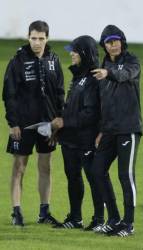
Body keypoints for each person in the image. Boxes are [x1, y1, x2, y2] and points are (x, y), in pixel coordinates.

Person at [2, 20, 64, 227]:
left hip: (47, 126)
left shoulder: (54, 60)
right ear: (28, 37)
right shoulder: (18, 61)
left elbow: (59, 93)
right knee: (19, 167)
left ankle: (44, 213)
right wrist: (13, 123)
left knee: (45, 166)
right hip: (24, 125)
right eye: (33, 38)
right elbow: (9, 95)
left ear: (48, 38)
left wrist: (58, 120)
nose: (37, 43)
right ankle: (16, 212)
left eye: (41, 38)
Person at [91, 24, 143, 237]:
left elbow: (123, 75)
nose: (113, 45)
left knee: (125, 175)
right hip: (109, 130)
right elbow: (103, 102)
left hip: (129, 129)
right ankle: (113, 218)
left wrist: (108, 72)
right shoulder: (103, 66)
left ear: (122, 41)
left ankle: (128, 224)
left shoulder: (132, 61)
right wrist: (101, 130)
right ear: (104, 45)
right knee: (97, 171)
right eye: (108, 42)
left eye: (116, 40)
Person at [51, 35, 104, 230]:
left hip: (86, 139)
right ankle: (75, 218)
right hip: (70, 139)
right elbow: (71, 107)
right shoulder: (79, 76)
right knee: (72, 177)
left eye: (74, 50)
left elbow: (90, 114)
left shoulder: (92, 78)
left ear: (84, 53)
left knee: (93, 178)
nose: (71, 54)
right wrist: (60, 130)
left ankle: (99, 220)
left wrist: (65, 121)